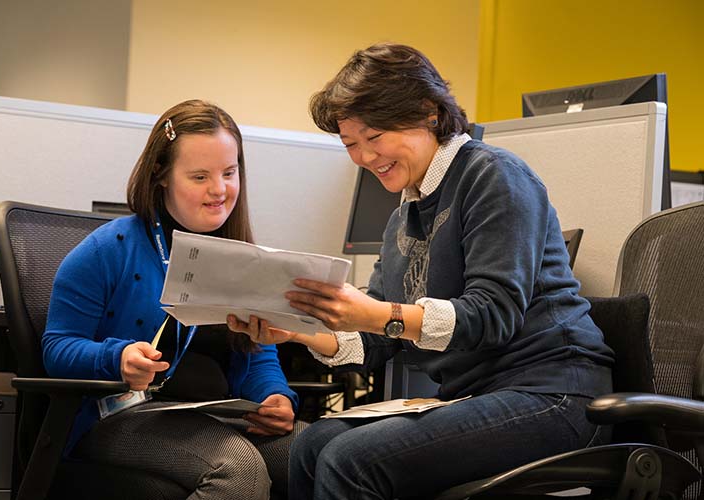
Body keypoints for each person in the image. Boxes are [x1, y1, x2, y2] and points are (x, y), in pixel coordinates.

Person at [227, 43, 615, 499]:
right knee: (311, 445)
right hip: (482, 398)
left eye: (374, 137)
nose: (364, 157)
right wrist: (296, 330)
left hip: (555, 396)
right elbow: (375, 338)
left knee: (350, 460)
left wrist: (373, 313)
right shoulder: (403, 216)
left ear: (429, 113)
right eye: (351, 144)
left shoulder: (495, 176)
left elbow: (492, 316)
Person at [43, 99, 304, 500]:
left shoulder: (242, 256)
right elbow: (57, 348)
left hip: (210, 413)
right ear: (161, 176)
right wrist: (117, 359)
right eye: (199, 176)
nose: (219, 189)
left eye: (229, 173)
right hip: (117, 413)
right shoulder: (108, 249)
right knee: (236, 470)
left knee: (323, 453)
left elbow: (256, 352)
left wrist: (273, 396)